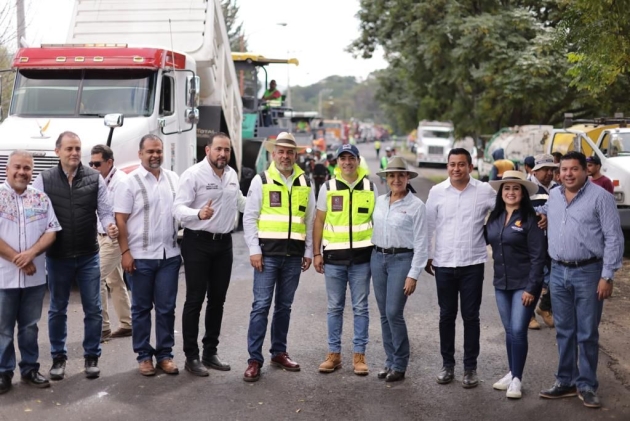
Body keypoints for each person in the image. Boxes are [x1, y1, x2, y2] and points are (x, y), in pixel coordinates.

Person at [538, 151, 624, 409]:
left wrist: (607, 275)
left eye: (574, 169)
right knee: (564, 331)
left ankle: (586, 385)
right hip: (558, 271)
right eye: (564, 170)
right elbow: (545, 211)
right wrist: (541, 215)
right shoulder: (553, 196)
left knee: (586, 333)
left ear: (585, 171)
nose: (568, 174)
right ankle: (565, 381)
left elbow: (614, 238)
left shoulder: (602, 198)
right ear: (558, 172)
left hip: (589, 273)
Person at [33, 131, 118, 381]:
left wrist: (110, 225)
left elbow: (105, 211)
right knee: (57, 309)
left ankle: (92, 356)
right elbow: (37, 214)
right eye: (69, 148)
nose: (74, 153)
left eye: (77, 148)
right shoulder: (44, 179)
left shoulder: (94, 178)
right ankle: (58, 358)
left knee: (93, 308)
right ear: (57, 151)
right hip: (57, 257)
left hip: (88, 255)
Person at [242, 132, 316, 382]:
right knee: (261, 306)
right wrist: (254, 249)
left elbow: (309, 219)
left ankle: (279, 352)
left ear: (296, 155)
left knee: (284, 306)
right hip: (267, 255)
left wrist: (308, 251)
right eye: (281, 151)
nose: (285, 156)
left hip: (294, 256)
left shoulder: (305, 182)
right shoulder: (261, 180)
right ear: (273, 154)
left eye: (290, 152)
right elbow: (250, 217)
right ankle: (254, 359)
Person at [173, 132, 246, 377]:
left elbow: (241, 203)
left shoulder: (232, 175)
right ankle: (191, 357)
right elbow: (178, 209)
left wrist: (264, 203)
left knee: (217, 300)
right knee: (195, 300)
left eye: (226, 150)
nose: (223, 154)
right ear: (208, 150)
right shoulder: (193, 175)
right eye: (218, 149)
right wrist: (197, 214)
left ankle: (210, 352)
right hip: (197, 243)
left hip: (224, 244)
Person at [425, 148, 497, 388]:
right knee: (446, 316)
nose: (456, 169)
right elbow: (428, 226)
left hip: (472, 263)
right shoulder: (437, 192)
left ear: (470, 167)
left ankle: (470, 368)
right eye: (452, 164)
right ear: (447, 166)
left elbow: (505, 211)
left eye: (461, 164)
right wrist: (427, 255)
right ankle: (447, 366)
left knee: (471, 317)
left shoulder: (485, 191)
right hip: (444, 263)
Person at [114, 134, 181, 377]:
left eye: (158, 151)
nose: (155, 155)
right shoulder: (129, 182)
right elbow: (119, 219)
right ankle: (144, 356)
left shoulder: (173, 179)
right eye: (150, 151)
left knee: (166, 308)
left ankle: (165, 355)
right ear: (140, 154)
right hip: (139, 256)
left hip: (169, 255)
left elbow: (181, 210)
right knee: (141, 309)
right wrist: (125, 253)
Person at [313, 144, 378, 376]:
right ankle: (334, 355)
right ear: (337, 162)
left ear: (358, 161)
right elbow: (319, 221)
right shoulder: (328, 187)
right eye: (343, 159)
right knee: (334, 308)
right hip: (333, 259)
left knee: (361, 308)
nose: (347, 162)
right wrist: (317, 253)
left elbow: (377, 221)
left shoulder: (370, 188)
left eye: (351, 158)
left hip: (362, 259)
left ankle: (359, 356)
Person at [0, 151, 61, 395]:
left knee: (29, 326)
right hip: (3, 277)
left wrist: (31, 253)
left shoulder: (41, 198)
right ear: (7, 168)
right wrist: (20, 258)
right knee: (3, 328)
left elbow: (51, 231)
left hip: (34, 279)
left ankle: (29, 369)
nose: (22, 172)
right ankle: (3, 372)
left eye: (27, 168)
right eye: (18, 167)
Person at [486, 171, 546, 399]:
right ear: (501, 192)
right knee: (510, 331)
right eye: (507, 188)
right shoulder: (494, 218)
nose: (510, 192)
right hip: (501, 283)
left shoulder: (532, 219)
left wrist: (533, 288)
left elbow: (538, 257)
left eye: (516, 188)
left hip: (525, 284)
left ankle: (517, 380)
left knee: (519, 330)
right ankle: (512, 373)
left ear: (523, 193)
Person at [371, 157, 427, 382]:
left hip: (402, 260)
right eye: (391, 176)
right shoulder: (380, 201)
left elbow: (422, 243)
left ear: (407, 178)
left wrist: (413, 274)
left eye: (400, 175)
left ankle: (400, 363)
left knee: (394, 312)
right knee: (384, 314)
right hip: (377, 258)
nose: (396, 179)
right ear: (386, 179)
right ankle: (389, 360)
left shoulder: (416, 206)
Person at [89, 145, 132, 342]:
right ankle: (126, 323)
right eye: (91, 163)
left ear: (109, 162)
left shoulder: (121, 182)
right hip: (100, 237)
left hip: (114, 239)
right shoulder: (100, 180)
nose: (93, 167)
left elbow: (122, 214)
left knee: (94, 278)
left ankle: (102, 328)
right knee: (114, 280)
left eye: (97, 163)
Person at [529, 154, 559, 329]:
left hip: (554, 241)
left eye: (552, 169)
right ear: (535, 171)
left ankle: (545, 307)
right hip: (533, 242)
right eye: (545, 170)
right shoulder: (528, 188)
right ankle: (528, 315)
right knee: (534, 278)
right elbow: (519, 210)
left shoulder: (558, 188)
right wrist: (538, 216)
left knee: (556, 277)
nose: (549, 173)